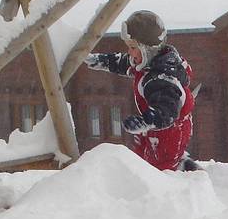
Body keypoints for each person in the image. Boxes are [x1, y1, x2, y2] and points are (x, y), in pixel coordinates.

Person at [84, 10, 199, 171]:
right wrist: (102, 61)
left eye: (133, 47)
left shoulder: (162, 79)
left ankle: (176, 175)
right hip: (154, 130)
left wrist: (146, 121)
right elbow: (125, 63)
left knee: (157, 167)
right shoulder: (149, 63)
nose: (129, 52)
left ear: (148, 49)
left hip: (168, 132)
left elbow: (167, 110)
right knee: (141, 158)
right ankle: (176, 167)